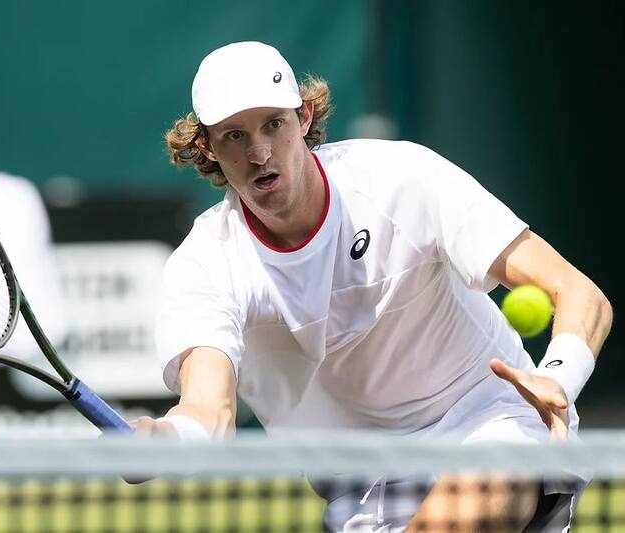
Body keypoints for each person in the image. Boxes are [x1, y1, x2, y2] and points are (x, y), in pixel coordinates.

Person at [134, 41, 613, 532]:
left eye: (273, 124)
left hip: (492, 423)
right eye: (234, 136)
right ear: (206, 148)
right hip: (361, 485)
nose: (259, 153)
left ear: (304, 117)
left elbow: (578, 292)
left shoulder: (402, 179)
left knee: (483, 486)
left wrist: (558, 377)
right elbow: (209, 406)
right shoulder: (206, 263)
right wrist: (171, 436)